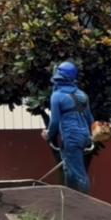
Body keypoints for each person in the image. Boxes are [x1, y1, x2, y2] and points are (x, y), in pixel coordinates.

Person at [41, 61, 94, 193]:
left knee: (78, 173)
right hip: (84, 136)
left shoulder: (57, 96)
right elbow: (90, 119)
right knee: (69, 172)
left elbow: (54, 122)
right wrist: (91, 137)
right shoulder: (82, 94)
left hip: (71, 137)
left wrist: (48, 134)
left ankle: (87, 206)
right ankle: (70, 201)